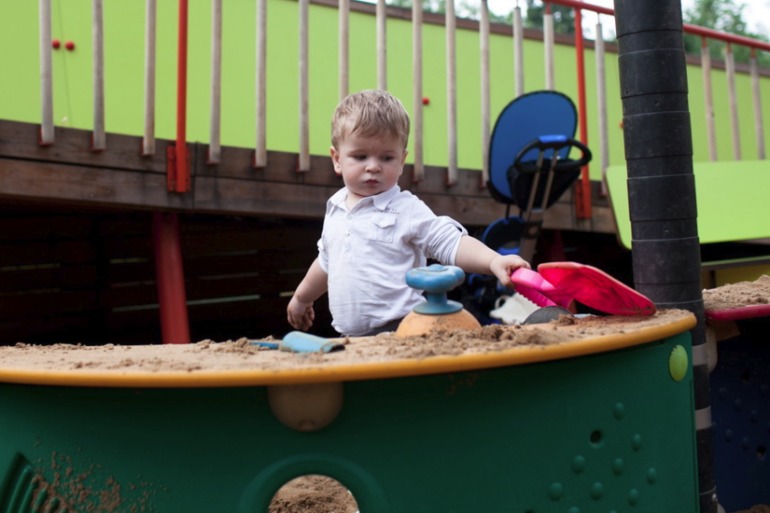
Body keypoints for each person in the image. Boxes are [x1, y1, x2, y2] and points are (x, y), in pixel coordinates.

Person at [287, 89, 530, 337]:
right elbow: (327, 261)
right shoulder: (335, 207)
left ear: (402, 160)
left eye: (386, 158)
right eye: (360, 156)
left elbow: (450, 242)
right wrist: (302, 298)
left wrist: (493, 261)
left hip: (401, 331)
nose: (373, 166)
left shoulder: (405, 209)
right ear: (337, 159)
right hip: (351, 339)